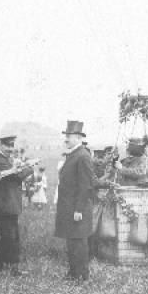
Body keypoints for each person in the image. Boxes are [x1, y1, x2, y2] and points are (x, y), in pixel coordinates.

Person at [0, 135, 34, 276]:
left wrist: (22, 166)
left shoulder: (6, 159)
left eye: (11, 146)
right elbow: (17, 177)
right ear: (0, 145)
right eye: (7, 146)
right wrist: (30, 166)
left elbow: (16, 173)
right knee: (9, 237)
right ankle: (2, 267)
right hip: (4, 206)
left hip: (9, 204)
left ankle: (4, 266)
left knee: (12, 236)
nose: (10, 149)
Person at [55, 120, 94, 280]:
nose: (66, 139)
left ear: (78, 137)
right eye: (66, 136)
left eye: (69, 136)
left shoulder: (82, 156)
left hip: (77, 208)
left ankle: (82, 275)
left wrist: (79, 209)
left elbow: (86, 186)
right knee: (72, 241)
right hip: (69, 207)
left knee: (79, 242)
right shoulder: (74, 154)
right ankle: (73, 273)